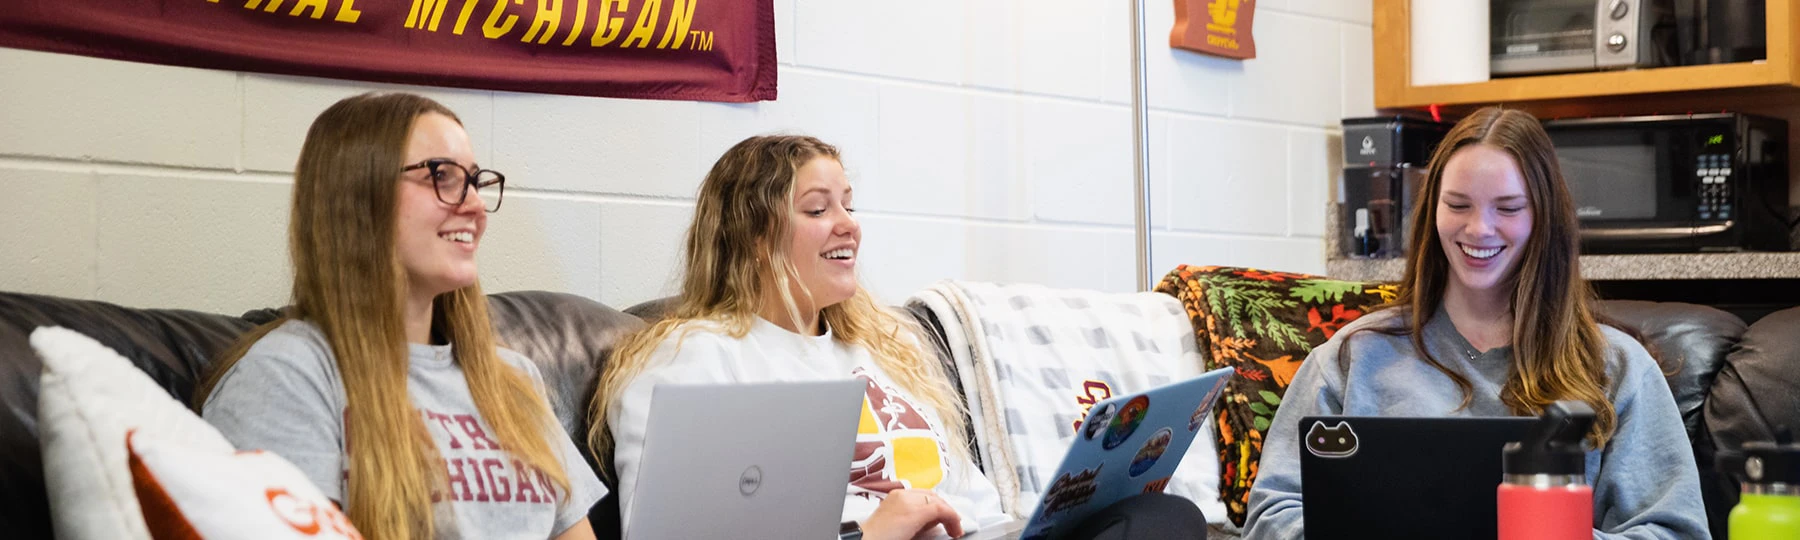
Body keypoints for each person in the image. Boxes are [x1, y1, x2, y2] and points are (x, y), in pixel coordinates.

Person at [1243, 107, 1710, 538]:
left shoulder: (1618, 368)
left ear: (1544, 219)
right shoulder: (1351, 357)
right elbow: (1271, 513)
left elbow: (1675, 531)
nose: (1479, 229)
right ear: (1431, 212)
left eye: (1507, 208)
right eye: (1459, 205)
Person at [196, 92, 604, 540]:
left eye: (474, 181)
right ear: (359, 194)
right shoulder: (286, 377)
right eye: (441, 175)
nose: (475, 206)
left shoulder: (512, 379)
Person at [589, 134, 1007, 540]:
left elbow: (984, 509)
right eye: (817, 210)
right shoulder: (691, 359)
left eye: (848, 204)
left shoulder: (891, 349)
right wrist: (865, 534)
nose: (849, 224)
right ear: (754, 236)